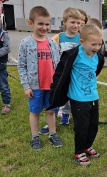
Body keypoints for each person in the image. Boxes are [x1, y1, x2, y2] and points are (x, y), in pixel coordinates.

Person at [47, 24, 104, 167]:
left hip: (93, 97)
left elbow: (95, 71)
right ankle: (79, 152)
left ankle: (87, 146)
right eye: (93, 44)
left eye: (99, 44)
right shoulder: (73, 55)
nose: (97, 47)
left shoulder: (98, 57)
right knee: (81, 127)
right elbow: (60, 73)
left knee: (93, 125)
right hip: (78, 99)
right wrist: (55, 90)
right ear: (82, 42)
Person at [17, 6, 62, 149]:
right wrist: (26, 86)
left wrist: (59, 82)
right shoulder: (25, 43)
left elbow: (58, 64)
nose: (44, 27)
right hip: (35, 86)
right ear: (31, 23)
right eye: (40, 24)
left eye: (47, 24)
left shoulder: (53, 43)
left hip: (51, 85)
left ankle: (52, 134)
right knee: (35, 112)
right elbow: (21, 66)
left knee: (50, 111)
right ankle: (35, 137)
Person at [39, 7, 82, 135]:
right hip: (61, 74)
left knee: (74, 97)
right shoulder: (57, 38)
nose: (75, 25)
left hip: (76, 74)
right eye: (72, 22)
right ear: (65, 22)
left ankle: (69, 115)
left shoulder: (82, 38)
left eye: (78, 22)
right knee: (57, 95)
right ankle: (51, 120)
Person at [0, 24, 11, 115]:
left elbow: (7, 48)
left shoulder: (3, 34)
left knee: (3, 86)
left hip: (1, 65)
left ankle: (6, 103)